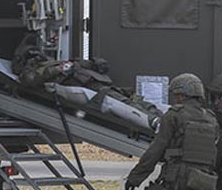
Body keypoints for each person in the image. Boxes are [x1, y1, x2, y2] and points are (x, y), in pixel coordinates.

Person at [10, 32, 160, 129]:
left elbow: (81, 64)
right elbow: (29, 80)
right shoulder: (31, 72)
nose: (38, 56)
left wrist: (93, 63)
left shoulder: (53, 63)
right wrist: (59, 69)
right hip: (87, 87)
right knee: (124, 102)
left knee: (131, 98)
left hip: (94, 83)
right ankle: (154, 121)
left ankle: (160, 116)